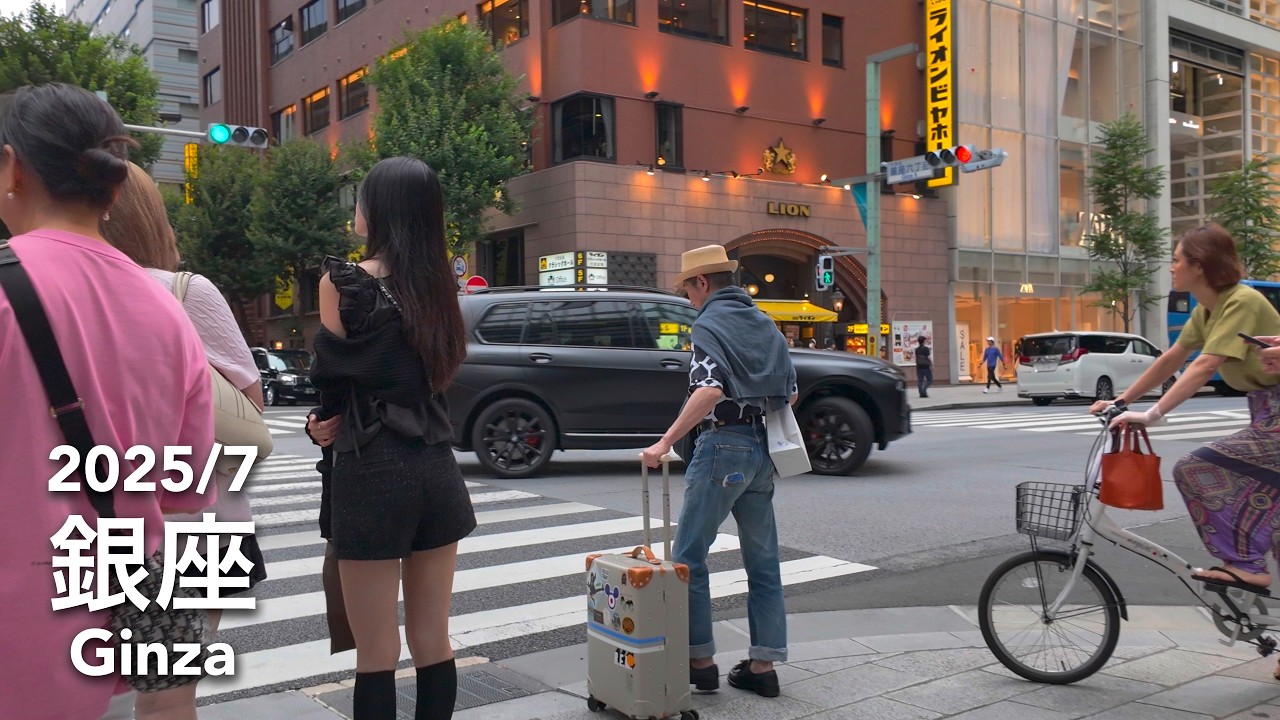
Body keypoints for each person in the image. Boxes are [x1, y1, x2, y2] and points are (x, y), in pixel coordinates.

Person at [0, 83, 215, 719]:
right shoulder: (168, 312)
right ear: (114, 188)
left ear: (12, 168)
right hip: (114, 614)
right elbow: (183, 491)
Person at [305, 157, 476, 720]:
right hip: (435, 468)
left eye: (362, 197)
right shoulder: (439, 286)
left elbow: (333, 383)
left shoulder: (343, 281)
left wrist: (318, 425)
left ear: (379, 209)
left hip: (372, 468)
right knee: (433, 638)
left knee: (377, 650)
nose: (357, 208)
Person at [98, 162, 268, 720]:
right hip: (201, 520)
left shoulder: (62, 291)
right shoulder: (186, 291)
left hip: (96, 513)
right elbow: (249, 408)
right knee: (167, 699)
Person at [1091, 224, 1280, 598]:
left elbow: (1205, 364)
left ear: (1199, 265)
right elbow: (1172, 359)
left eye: (1177, 260)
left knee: (1195, 468)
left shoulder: (1241, 301)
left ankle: (1245, 564)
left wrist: (1152, 415)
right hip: (1264, 411)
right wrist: (1121, 402)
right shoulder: (1207, 310)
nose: (1171, 267)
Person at [642, 244, 797, 700]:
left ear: (702, 282)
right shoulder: (764, 323)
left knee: (688, 558)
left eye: (688, 290)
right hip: (762, 451)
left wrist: (665, 442)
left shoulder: (708, 325)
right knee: (763, 562)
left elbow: (708, 390)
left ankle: (700, 662)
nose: (689, 299)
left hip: (722, 447)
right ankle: (763, 666)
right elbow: (790, 392)